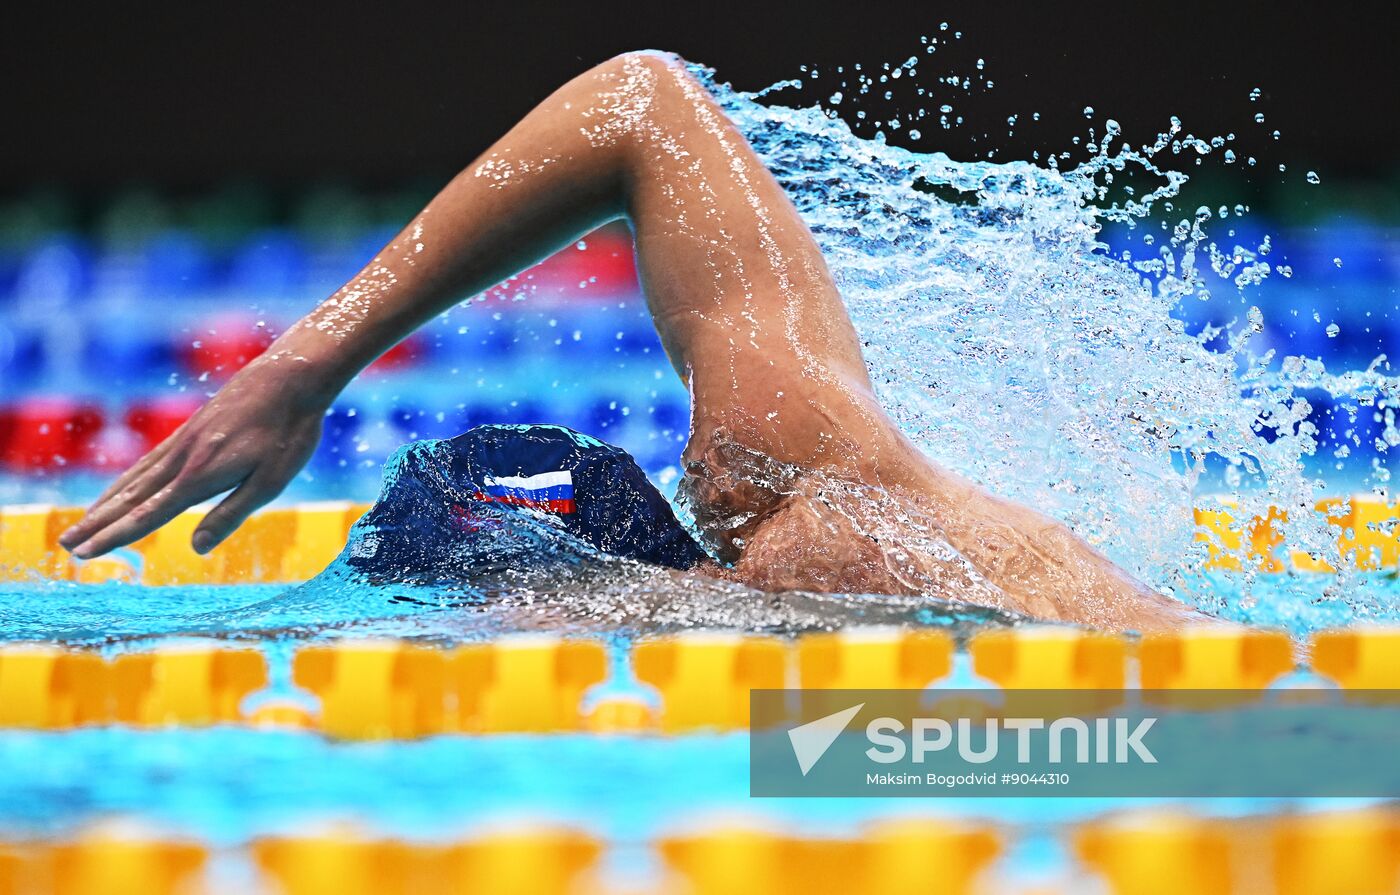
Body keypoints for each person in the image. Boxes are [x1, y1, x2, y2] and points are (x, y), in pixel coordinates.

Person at [59, 51, 1204, 631]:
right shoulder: (773, 504)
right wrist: (304, 367)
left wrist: (300, 364)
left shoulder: (795, 479)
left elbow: (642, 98)